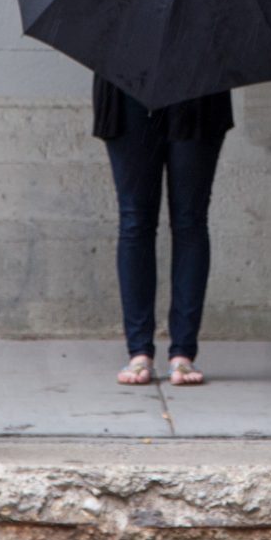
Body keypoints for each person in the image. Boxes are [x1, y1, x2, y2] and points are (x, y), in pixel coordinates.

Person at [94, 74, 233, 387]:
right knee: (135, 221)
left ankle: (182, 353)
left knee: (190, 221)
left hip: (197, 86)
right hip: (127, 83)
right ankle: (139, 351)